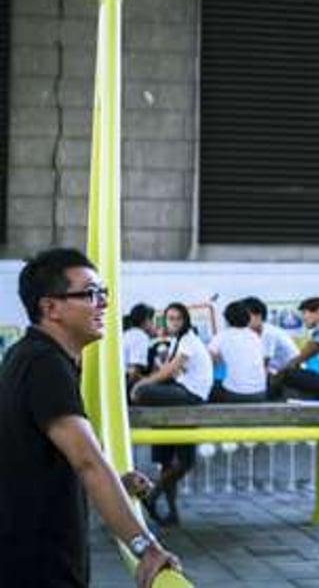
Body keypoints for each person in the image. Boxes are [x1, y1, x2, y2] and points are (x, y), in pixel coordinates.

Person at [0, 248, 180, 587]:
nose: (103, 304)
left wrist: (117, 484)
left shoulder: (29, 355)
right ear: (50, 307)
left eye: (104, 293)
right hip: (38, 565)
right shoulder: (44, 365)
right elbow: (88, 462)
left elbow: (46, 458)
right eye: (90, 294)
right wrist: (146, 548)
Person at [131, 302, 213, 526]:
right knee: (169, 460)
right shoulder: (176, 341)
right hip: (180, 393)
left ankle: (153, 494)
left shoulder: (188, 340)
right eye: (169, 318)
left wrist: (143, 384)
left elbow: (170, 370)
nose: (173, 322)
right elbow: (166, 370)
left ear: (185, 320)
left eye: (177, 318)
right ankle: (172, 512)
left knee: (142, 392)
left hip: (191, 394)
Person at [208, 300, 267, 402]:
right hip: (260, 393)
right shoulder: (255, 336)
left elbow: (207, 362)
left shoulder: (222, 336)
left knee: (208, 386)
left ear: (227, 319)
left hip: (233, 394)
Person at [241, 295, 300, 374]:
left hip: (292, 371)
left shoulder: (269, 333)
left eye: (247, 316)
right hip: (277, 371)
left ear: (259, 316)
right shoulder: (252, 333)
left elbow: (263, 363)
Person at [122, 302, 157, 390]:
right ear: (146, 321)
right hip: (126, 381)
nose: (154, 324)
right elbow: (133, 371)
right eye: (152, 320)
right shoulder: (140, 337)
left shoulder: (128, 333)